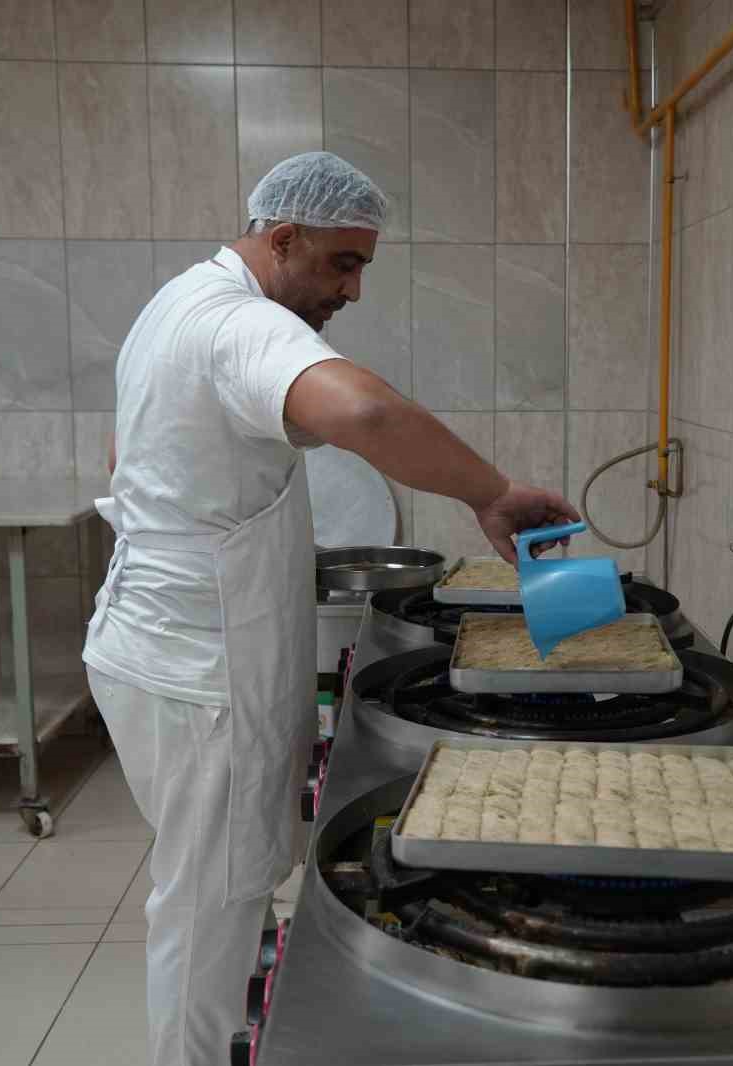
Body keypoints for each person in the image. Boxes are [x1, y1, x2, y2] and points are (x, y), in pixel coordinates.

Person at [82, 152, 578, 1066]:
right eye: (342, 264)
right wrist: (491, 492)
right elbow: (366, 413)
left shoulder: (179, 302)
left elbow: (129, 450)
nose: (352, 290)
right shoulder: (237, 323)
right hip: (201, 673)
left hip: (161, 650)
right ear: (282, 239)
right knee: (208, 900)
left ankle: (233, 1027)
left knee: (216, 883)